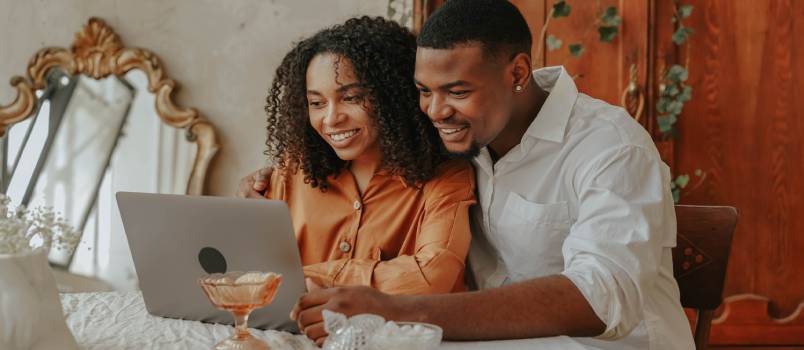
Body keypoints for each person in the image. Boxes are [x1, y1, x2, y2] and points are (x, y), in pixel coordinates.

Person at [245, 1, 694, 349]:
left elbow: (600, 297)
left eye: (457, 91)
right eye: (424, 91)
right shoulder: (455, 140)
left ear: (518, 72)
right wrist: (275, 179)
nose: (436, 111)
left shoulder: (610, 146)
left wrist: (398, 311)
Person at [238, 16, 476, 327]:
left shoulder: (447, 178)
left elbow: (429, 277)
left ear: (393, 97)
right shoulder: (290, 174)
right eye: (316, 102)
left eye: (351, 98)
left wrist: (304, 277)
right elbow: (249, 274)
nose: (331, 118)